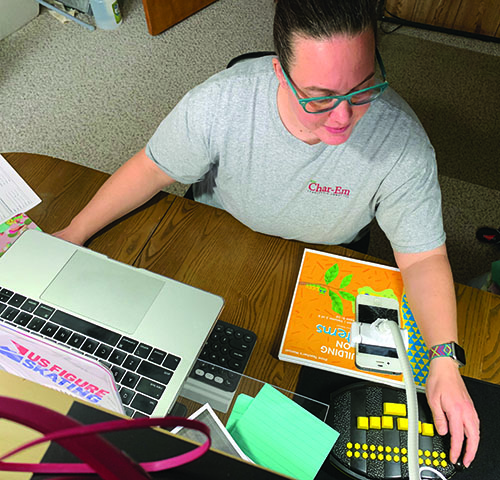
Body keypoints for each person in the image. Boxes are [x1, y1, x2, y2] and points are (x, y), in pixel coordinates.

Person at [55, 0, 479, 466]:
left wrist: (443, 360)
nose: (341, 118)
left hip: (326, 257)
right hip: (220, 238)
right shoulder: (222, 102)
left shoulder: (401, 142)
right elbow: (153, 169)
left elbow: (422, 258)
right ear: (280, 71)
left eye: (361, 89)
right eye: (318, 97)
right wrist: (75, 232)